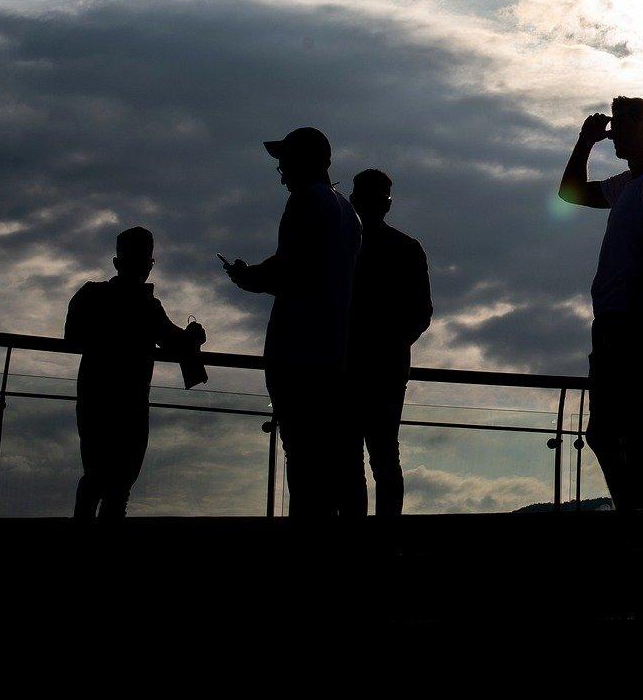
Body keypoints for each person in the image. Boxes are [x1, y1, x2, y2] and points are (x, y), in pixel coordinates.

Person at [223, 126, 362, 516]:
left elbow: (290, 269)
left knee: (302, 457)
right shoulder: (348, 213)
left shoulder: (304, 202)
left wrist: (248, 277)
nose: (280, 169)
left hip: (298, 350)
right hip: (333, 351)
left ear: (304, 161)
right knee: (328, 457)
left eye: (285, 160)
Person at [557, 96, 643, 512]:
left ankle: (637, 513)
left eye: (624, 123)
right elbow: (571, 192)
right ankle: (633, 510)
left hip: (633, 319)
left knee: (625, 424)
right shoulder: (627, 185)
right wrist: (585, 142)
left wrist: (631, 313)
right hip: (616, 317)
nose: (615, 132)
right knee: (610, 429)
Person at [66, 226, 205, 519]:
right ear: (149, 265)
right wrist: (194, 336)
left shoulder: (89, 295)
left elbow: (72, 336)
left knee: (94, 475)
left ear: (117, 262)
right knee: (119, 487)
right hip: (131, 404)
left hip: (93, 398)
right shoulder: (148, 306)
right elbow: (174, 340)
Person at [347, 168, 434, 516]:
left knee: (349, 456)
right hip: (388, 366)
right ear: (387, 204)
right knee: (384, 455)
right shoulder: (407, 248)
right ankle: (387, 539)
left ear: (354, 201)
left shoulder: (343, 248)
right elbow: (421, 313)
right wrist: (394, 344)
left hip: (347, 364)